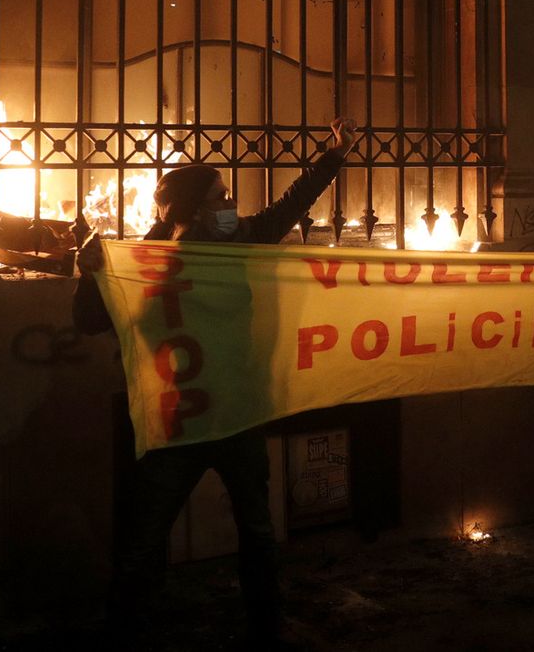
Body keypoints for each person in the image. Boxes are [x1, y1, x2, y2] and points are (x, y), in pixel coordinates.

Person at [74, 117, 358, 645]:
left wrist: (335, 155)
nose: (230, 205)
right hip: (178, 421)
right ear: (192, 210)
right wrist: (90, 270)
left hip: (234, 414)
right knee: (146, 539)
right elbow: (90, 320)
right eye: (220, 197)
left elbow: (292, 204)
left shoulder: (239, 241)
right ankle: (128, 631)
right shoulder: (148, 258)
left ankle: (265, 626)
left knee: (255, 531)